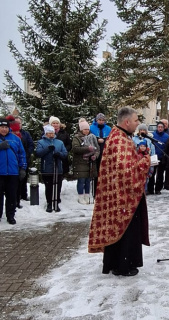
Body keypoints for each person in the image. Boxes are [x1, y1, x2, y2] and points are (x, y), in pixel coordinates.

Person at [88, 107, 151, 277]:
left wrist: (138, 154)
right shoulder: (120, 140)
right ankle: (123, 265)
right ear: (127, 122)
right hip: (122, 197)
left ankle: (117, 262)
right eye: (136, 120)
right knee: (126, 230)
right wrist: (146, 161)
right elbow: (128, 172)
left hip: (117, 195)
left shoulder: (119, 137)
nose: (138, 123)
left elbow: (125, 164)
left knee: (122, 229)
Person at [35, 125, 68, 213]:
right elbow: (38, 153)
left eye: (52, 133)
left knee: (58, 186)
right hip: (47, 168)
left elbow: (65, 154)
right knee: (49, 187)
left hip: (58, 168)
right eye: (49, 133)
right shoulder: (41, 142)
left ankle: (56, 202)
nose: (51, 135)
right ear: (45, 133)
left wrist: (59, 154)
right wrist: (47, 149)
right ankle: (49, 203)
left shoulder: (59, 142)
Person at [71, 119, 100, 205]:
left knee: (88, 180)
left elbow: (97, 149)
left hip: (90, 162)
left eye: (87, 129)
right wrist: (87, 149)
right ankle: (80, 196)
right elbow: (75, 149)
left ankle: (87, 196)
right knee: (81, 180)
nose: (86, 131)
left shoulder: (92, 137)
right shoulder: (77, 138)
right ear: (81, 129)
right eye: (85, 129)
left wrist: (95, 156)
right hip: (81, 162)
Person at [8, 115, 35, 204]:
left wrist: (27, 153)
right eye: (16, 123)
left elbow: (31, 144)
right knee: (16, 180)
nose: (18, 125)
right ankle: (16, 197)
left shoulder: (25, 134)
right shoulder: (10, 135)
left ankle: (24, 194)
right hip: (13, 160)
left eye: (19, 123)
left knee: (24, 177)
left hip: (25, 158)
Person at [133, 124, 156, 194]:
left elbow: (152, 150)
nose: (142, 131)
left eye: (144, 130)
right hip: (137, 160)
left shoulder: (149, 139)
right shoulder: (134, 139)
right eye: (141, 130)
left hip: (146, 160)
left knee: (146, 178)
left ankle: (145, 190)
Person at [151, 121, 169, 195]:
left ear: (164, 128)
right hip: (153, 157)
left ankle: (158, 189)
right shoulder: (152, 135)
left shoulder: (167, 136)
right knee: (152, 174)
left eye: (161, 127)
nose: (160, 128)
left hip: (162, 157)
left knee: (160, 174)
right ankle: (151, 189)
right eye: (159, 127)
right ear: (157, 127)